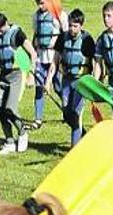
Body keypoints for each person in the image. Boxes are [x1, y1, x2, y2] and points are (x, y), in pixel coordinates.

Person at [0, 11, 37, 155]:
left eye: (0, 29)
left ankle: (22, 132)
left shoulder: (17, 34)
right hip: (3, 75)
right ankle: (9, 141)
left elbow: (32, 54)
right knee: (1, 110)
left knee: (10, 108)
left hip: (16, 74)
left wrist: (30, 75)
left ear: (5, 23)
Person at [52, 8, 96, 146]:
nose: (72, 28)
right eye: (70, 25)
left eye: (75, 26)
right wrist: (49, 79)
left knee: (76, 113)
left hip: (81, 82)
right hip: (66, 80)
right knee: (67, 113)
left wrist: (93, 84)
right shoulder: (62, 38)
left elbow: (95, 62)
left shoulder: (87, 40)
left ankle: (74, 147)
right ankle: (83, 134)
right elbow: (56, 60)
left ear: (81, 26)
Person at [30, 0, 67, 129]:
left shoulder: (60, 15)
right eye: (37, 3)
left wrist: (62, 58)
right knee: (39, 87)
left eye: (42, 3)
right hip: (41, 55)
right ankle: (38, 118)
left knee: (57, 86)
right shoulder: (35, 16)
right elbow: (35, 35)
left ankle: (67, 111)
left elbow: (65, 35)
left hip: (54, 55)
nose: (39, 6)